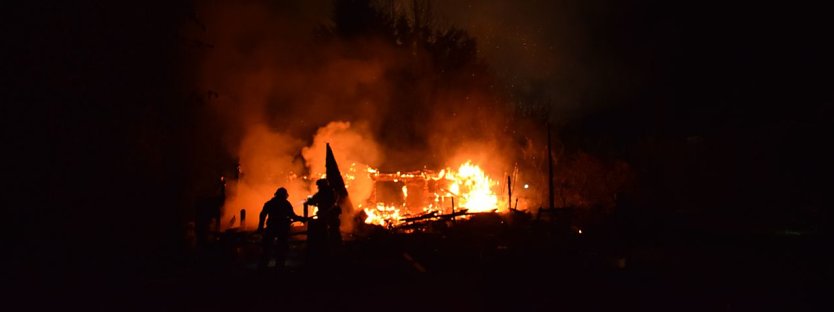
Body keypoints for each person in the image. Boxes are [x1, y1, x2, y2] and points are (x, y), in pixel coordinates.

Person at [257, 187, 305, 271]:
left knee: (267, 248)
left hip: (271, 227)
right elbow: (292, 216)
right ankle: (279, 267)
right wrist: (301, 219)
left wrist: (260, 226)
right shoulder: (286, 204)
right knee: (281, 248)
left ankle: (263, 267)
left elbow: (262, 215)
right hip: (282, 228)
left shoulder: (269, 203)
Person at [304, 179, 341, 260]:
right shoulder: (333, 192)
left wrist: (310, 201)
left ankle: (328, 252)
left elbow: (313, 200)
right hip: (333, 216)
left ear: (322, 186)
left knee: (326, 233)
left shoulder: (322, 193)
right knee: (335, 232)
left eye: (319, 186)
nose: (318, 187)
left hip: (327, 216)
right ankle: (337, 251)